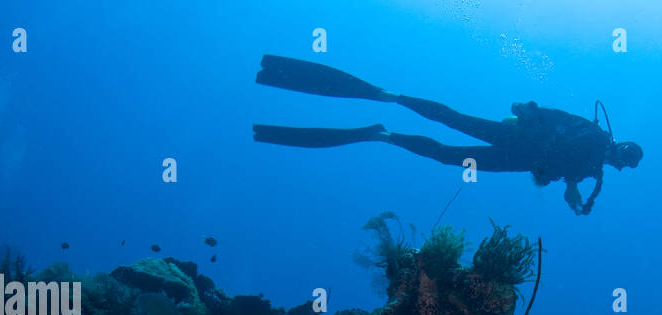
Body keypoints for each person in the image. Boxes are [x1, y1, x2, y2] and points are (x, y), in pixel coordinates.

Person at [252, 55, 642, 215]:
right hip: (516, 144)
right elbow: (557, 118)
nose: (618, 159)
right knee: (451, 125)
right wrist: (527, 110)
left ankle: (384, 131)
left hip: (514, 159)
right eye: (624, 153)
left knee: (447, 149)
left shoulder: (594, 170)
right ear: (620, 144)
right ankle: (391, 103)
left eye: (624, 161)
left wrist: (571, 193)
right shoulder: (592, 136)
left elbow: (569, 183)